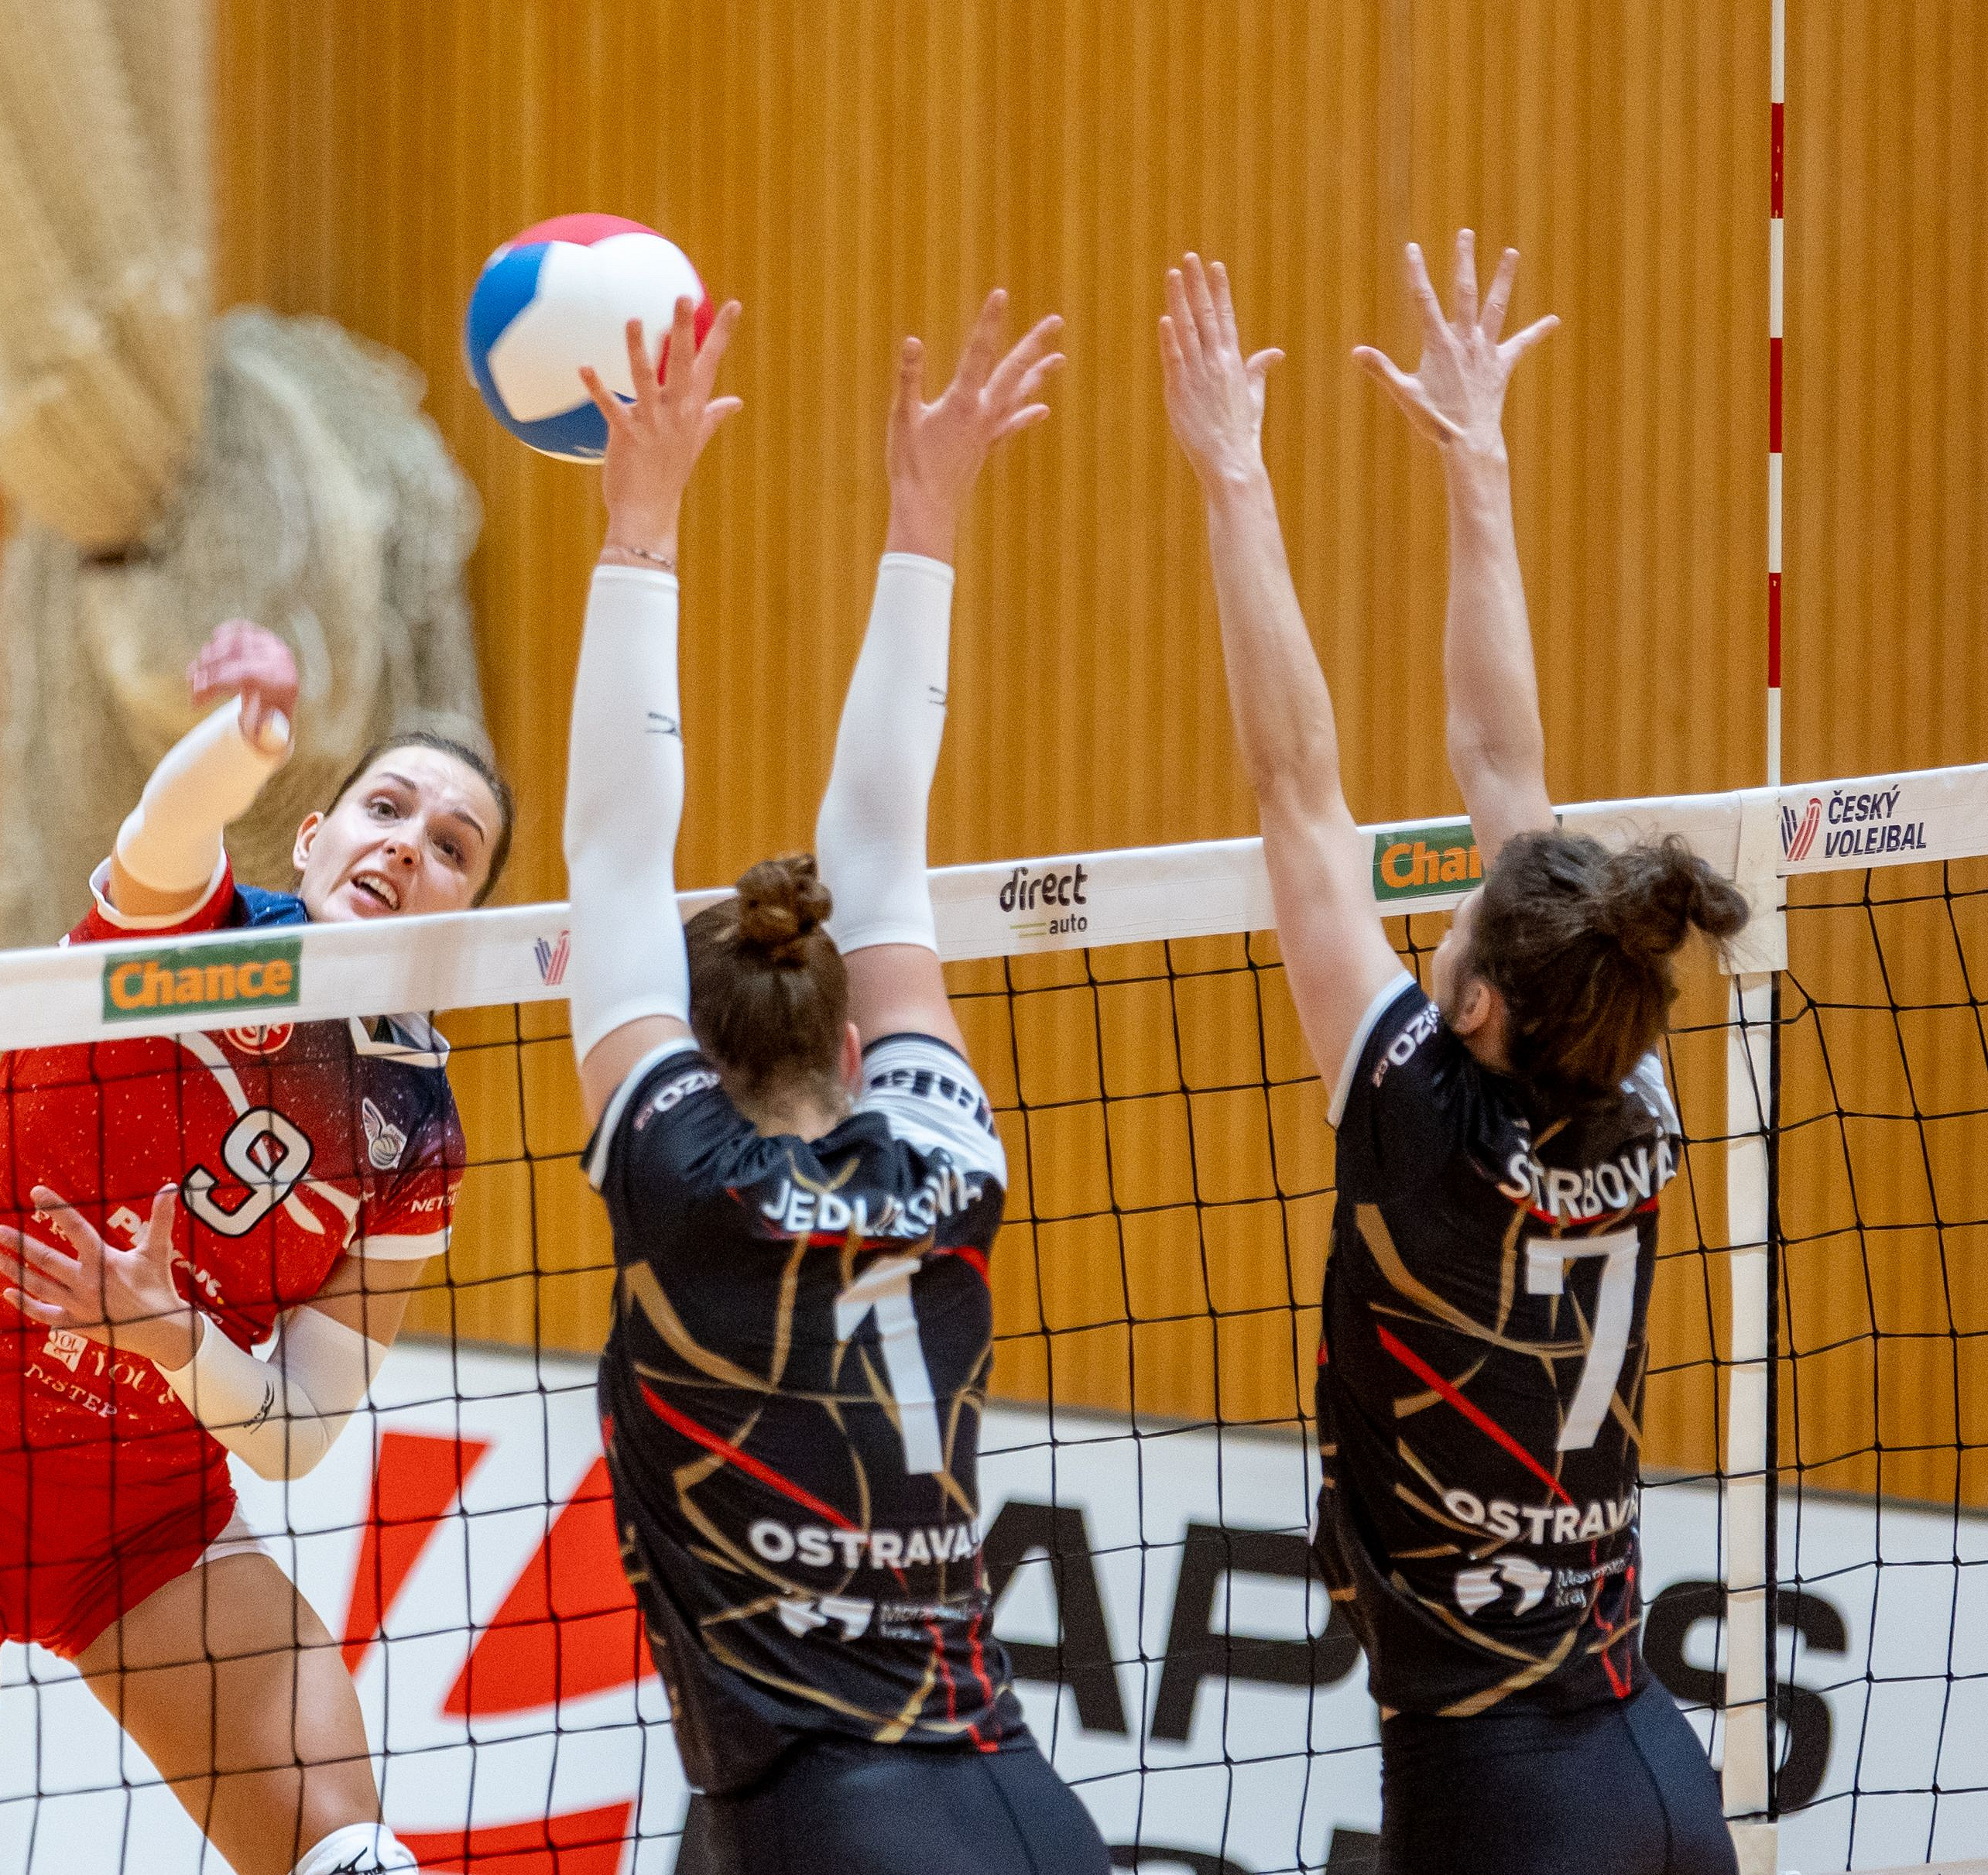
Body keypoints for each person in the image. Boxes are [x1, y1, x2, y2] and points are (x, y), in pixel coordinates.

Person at [1158, 234, 1746, 1875]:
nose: (1458, 900)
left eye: (1466, 918)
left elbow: (1297, 785)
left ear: (1478, 1001)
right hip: (1654, 1763)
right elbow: (1502, 762)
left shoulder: (1418, 1114)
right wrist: (1473, 464)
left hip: (1500, 1793)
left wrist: (1230, 476)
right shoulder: (1628, 1080)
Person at [0, 622, 514, 1875]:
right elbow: (171, 824)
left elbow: (297, 1429)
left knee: (352, 1857)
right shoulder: (188, 939)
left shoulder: (416, 1137)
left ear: (466, 922)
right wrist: (247, 735)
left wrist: (168, 1337)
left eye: (451, 846)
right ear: (312, 838)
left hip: (152, 1531)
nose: (409, 843)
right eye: (385, 809)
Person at [559, 290, 1109, 1875]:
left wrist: (639, 521)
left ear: (686, 1055)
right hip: (1026, 1805)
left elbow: (614, 846)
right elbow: (874, 849)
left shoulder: (682, 1181)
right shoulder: (949, 1157)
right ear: (856, 1052)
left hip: (827, 1828)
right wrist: (923, 516)